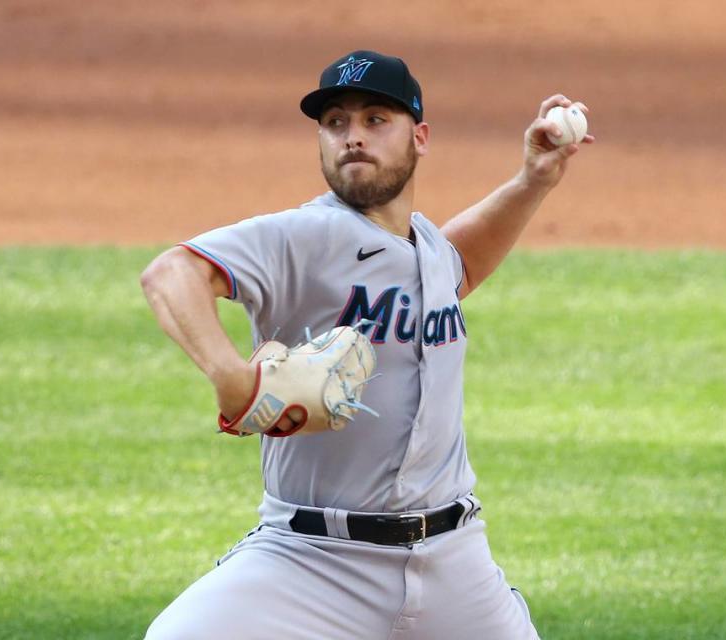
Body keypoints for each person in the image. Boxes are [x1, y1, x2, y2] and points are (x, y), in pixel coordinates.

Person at [140, 49, 593, 640]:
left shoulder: (426, 247)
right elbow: (171, 274)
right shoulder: (305, 234)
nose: (353, 137)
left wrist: (534, 179)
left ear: (420, 136)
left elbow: (459, 268)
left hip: (454, 561)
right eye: (336, 123)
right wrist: (231, 378)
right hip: (311, 561)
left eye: (375, 120)